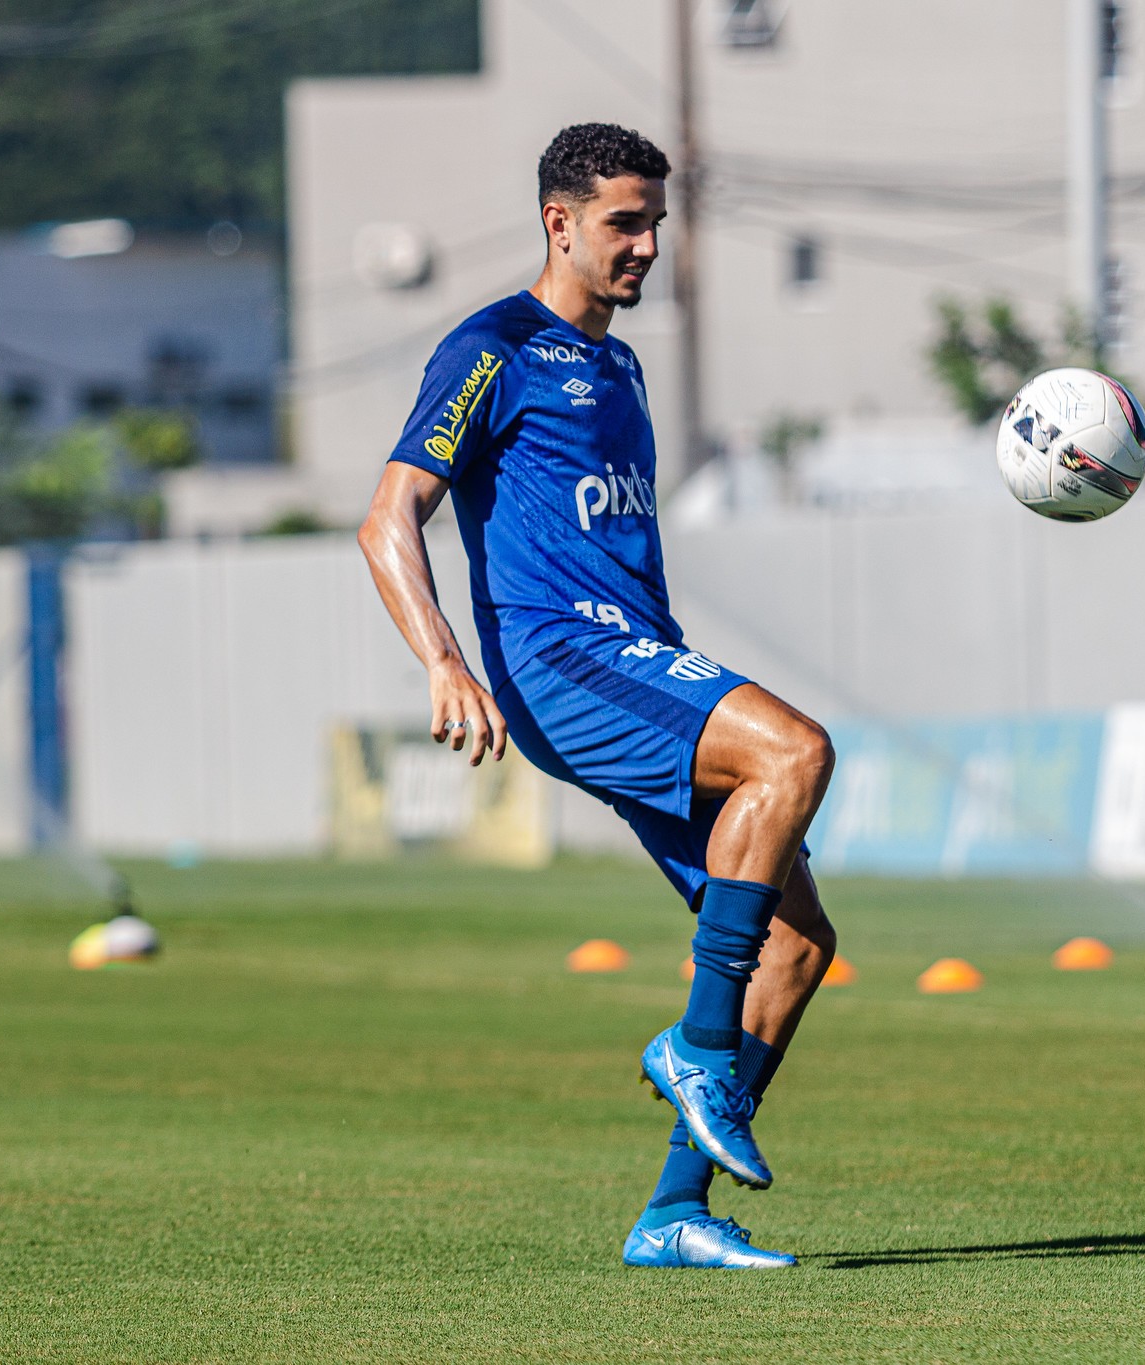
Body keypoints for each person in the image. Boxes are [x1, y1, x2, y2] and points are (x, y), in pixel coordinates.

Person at [357, 123, 836, 1270]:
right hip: (561, 665)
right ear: (556, 222)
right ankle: (697, 1045)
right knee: (795, 752)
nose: (645, 247)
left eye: (655, 224)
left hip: (634, 660)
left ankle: (673, 1211)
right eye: (623, 223)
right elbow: (387, 516)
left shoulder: (617, 365)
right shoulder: (491, 347)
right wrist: (442, 660)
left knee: (793, 947)